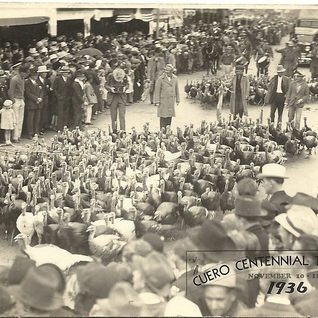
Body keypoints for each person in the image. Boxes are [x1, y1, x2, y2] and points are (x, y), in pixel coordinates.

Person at [154, 64, 180, 130]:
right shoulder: (160, 79)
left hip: (171, 100)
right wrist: (157, 101)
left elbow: (177, 89)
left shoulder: (175, 78)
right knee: (163, 116)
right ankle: (162, 132)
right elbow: (157, 90)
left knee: (169, 116)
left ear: (172, 71)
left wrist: (177, 99)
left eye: (169, 71)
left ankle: (168, 131)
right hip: (163, 101)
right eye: (166, 71)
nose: (167, 73)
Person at [8, 64, 29, 143]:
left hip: (21, 99)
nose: (26, 74)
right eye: (26, 73)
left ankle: (18, 135)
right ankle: (14, 137)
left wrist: (23, 98)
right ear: (22, 72)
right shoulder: (14, 79)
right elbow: (11, 90)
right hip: (16, 99)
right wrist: (12, 100)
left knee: (21, 119)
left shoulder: (22, 78)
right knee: (15, 119)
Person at [106, 62, 129, 132]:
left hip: (121, 97)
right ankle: (114, 130)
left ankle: (123, 130)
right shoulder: (110, 76)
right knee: (113, 115)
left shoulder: (124, 75)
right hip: (113, 97)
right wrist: (111, 89)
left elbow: (127, 84)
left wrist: (125, 88)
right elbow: (106, 84)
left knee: (122, 115)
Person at [24, 67, 43, 139]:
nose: (35, 76)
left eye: (36, 75)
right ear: (31, 75)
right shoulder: (27, 82)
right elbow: (28, 93)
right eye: (34, 75)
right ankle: (30, 133)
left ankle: (36, 132)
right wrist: (36, 99)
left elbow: (41, 91)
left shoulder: (38, 82)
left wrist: (40, 98)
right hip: (31, 103)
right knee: (30, 119)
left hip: (38, 103)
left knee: (37, 118)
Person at [53, 65, 72, 131]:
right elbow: (54, 89)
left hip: (67, 98)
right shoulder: (58, 79)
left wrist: (69, 97)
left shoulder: (69, 79)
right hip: (60, 99)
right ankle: (59, 127)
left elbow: (70, 89)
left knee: (66, 113)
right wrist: (59, 96)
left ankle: (65, 126)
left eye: (67, 72)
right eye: (64, 72)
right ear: (62, 73)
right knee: (60, 113)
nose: (66, 73)